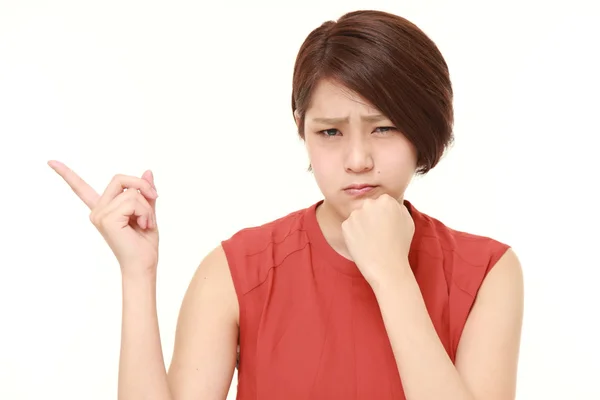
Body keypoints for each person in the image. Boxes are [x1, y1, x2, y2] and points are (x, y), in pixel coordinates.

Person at [49, 9, 524, 400]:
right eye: (330, 132)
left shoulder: (486, 272)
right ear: (303, 131)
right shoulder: (237, 271)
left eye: (384, 128)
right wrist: (137, 273)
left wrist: (392, 274)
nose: (357, 160)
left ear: (424, 129)